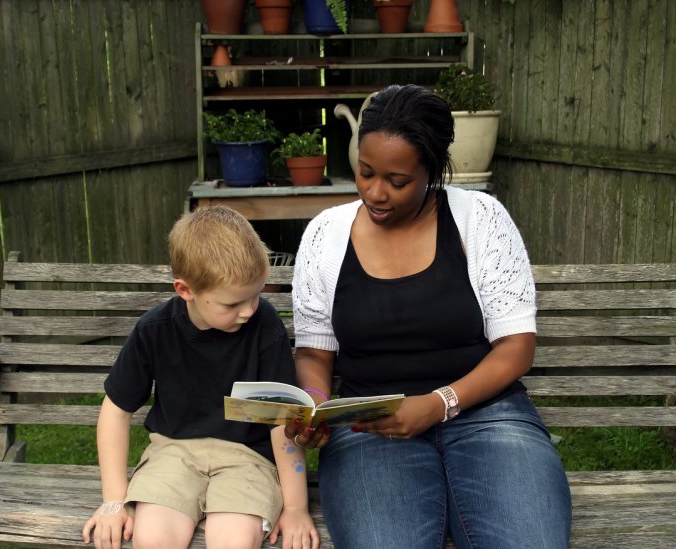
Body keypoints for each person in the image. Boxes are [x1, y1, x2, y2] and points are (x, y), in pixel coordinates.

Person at [287, 84, 572, 548]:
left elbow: (516, 348)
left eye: (397, 181)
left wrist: (438, 404)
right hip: (369, 426)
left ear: (433, 172)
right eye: (365, 172)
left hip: (489, 416)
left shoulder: (480, 219)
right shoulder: (326, 235)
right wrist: (315, 402)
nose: (376, 193)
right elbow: (315, 351)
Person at [82, 205, 319, 549]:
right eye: (232, 303)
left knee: (234, 542)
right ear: (185, 290)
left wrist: (296, 507)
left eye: (256, 294)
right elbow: (116, 411)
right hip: (173, 452)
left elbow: (282, 421)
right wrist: (114, 501)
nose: (249, 310)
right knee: (152, 539)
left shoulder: (264, 327)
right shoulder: (154, 330)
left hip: (247, 458)